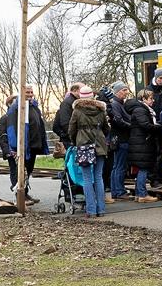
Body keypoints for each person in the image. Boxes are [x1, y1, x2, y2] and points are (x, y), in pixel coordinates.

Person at [68, 85, 110, 217]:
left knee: (87, 178)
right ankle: (101, 209)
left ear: (80, 96)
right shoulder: (101, 110)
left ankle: (91, 210)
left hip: (84, 146)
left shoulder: (77, 111)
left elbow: (71, 130)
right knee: (98, 177)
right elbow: (106, 129)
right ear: (93, 96)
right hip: (100, 145)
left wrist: (76, 140)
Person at [4, 86, 49, 203]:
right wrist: (15, 146)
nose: (30, 94)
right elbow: (12, 128)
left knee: (28, 171)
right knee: (20, 171)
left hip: (33, 145)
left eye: (31, 92)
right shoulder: (16, 108)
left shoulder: (34, 107)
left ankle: (25, 193)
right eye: (27, 92)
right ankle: (20, 196)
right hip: (23, 146)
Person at [125, 89, 162, 203]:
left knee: (142, 168)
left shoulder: (140, 109)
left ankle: (138, 193)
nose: (153, 100)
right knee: (143, 168)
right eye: (150, 98)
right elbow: (145, 125)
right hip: (143, 143)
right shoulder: (141, 110)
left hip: (140, 142)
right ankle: (142, 194)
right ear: (144, 99)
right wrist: (159, 127)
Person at [106, 82, 133, 201]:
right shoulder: (116, 104)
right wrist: (132, 126)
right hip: (121, 139)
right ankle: (119, 191)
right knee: (120, 166)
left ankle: (115, 190)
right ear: (117, 92)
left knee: (116, 166)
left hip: (117, 139)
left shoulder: (117, 104)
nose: (126, 92)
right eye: (124, 90)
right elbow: (119, 121)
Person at [52, 82, 83, 149]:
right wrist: (70, 136)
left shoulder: (74, 102)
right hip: (70, 140)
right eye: (82, 90)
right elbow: (65, 123)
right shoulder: (67, 103)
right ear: (76, 90)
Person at [0, 95, 18, 190]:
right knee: (14, 170)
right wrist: (7, 151)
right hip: (11, 150)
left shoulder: (20, 116)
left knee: (23, 171)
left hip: (20, 149)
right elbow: (2, 136)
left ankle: (25, 193)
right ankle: (17, 191)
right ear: (9, 104)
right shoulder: (5, 118)